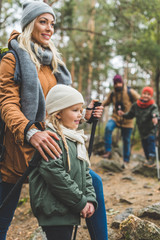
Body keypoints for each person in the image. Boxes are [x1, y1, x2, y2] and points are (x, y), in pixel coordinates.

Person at [0, 1, 108, 239]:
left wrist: (85, 114)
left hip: (52, 148)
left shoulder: (53, 65)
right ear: (30, 24)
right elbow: (7, 104)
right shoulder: (12, 59)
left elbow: (60, 105)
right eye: (43, 22)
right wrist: (31, 132)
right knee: (3, 215)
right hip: (20, 150)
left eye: (52, 24)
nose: (49, 28)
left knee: (94, 184)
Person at [29, 84, 97, 240]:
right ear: (58, 113)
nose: (80, 115)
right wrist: (80, 202)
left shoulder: (75, 139)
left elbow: (85, 172)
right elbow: (55, 175)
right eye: (75, 110)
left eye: (81, 110)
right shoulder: (51, 138)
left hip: (68, 209)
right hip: (54, 212)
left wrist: (90, 200)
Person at [102, 74, 140, 167]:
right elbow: (105, 102)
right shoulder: (112, 94)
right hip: (115, 118)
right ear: (114, 84)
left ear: (122, 82)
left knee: (126, 140)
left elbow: (140, 100)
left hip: (128, 120)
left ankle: (126, 160)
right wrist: (98, 105)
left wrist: (135, 111)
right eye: (116, 83)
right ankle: (108, 151)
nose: (118, 85)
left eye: (119, 83)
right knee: (108, 127)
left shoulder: (130, 92)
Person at [118, 86, 159, 166]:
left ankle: (152, 158)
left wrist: (155, 117)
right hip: (142, 131)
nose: (146, 95)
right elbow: (130, 115)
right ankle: (148, 160)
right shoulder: (136, 105)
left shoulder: (153, 106)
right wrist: (123, 114)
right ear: (141, 94)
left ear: (151, 96)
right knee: (145, 146)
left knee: (151, 141)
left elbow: (155, 113)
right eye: (144, 93)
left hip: (151, 130)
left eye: (148, 94)